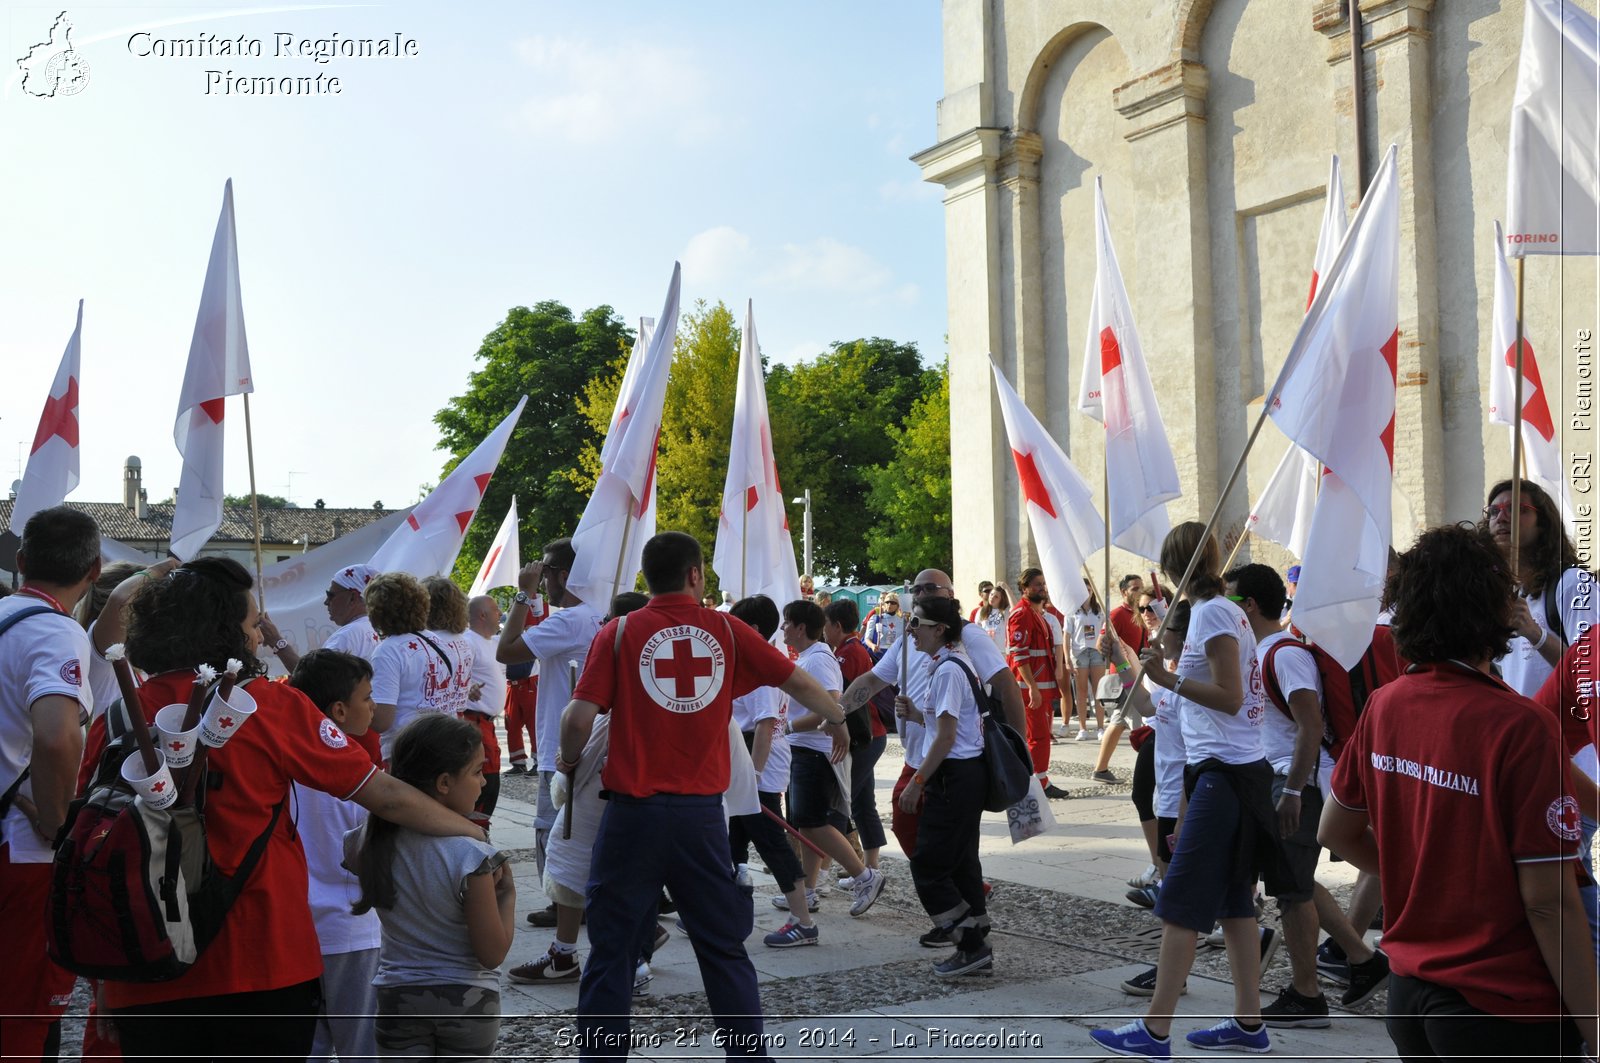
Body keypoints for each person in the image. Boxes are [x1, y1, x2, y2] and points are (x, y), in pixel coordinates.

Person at [99, 556, 485, 1061]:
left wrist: (105, 975)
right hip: (261, 958)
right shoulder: (267, 705)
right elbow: (383, 794)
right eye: (253, 624)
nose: (258, 636)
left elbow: (96, 845)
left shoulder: (116, 715)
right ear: (224, 632)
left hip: (146, 961)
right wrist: (470, 832)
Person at [557, 531, 848, 1060]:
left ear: (647, 577)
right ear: (695, 574)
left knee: (612, 951)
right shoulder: (728, 630)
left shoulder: (619, 632)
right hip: (699, 819)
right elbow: (798, 682)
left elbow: (578, 718)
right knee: (721, 948)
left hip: (632, 817)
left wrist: (569, 761)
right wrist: (837, 719)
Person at [1321, 524, 1597, 1060]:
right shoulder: (1521, 725)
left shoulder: (1387, 705)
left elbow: (1334, 830)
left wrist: (1420, 879)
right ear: (1494, 608)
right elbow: (1548, 902)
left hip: (1409, 990)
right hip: (1503, 1002)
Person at [1090, 521, 1278, 1058]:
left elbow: (1229, 696)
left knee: (1181, 902)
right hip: (1223, 772)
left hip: (1227, 774)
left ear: (1170, 566)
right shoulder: (1216, 613)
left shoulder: (1214, 612)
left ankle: (1153, 1030)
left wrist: (1168, 676)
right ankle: (1248, 1023)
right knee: (1235, 904)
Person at [1227, 564, 1388, 1030]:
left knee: (1293, 892)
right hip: (1282, 779)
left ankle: (1307, 996)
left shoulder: (1283, 654)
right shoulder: (1263, 650)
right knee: (1291, 881)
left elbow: (1311, 725)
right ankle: (1363, 960)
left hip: (1298, 783)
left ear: (1249, 605)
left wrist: (1293, 791)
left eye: (1231, 599)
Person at [351, 714, 514, 1061]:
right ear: (443, 782)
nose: (483, 783)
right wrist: (508, 895)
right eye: (476, 771)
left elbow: (353, 854)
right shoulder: (471, 856)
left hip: (397, 997)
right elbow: (492, 953)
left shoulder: (368, 839)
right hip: (467, 1001)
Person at [0, 506, 98, 1060]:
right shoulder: (56, 632)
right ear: (93, 571)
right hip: (20, 848)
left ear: (20, 562)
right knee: (20, 1015)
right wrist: (58, 819)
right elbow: (59, 737)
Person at [288, 649, 383, 1063]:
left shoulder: (279, 765)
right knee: (363, 1048)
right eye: (368, 697)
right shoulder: (358, 775)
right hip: (352, 932)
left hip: (293, 933)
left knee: (307, 1048)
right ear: (340, 711)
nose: (374, 706)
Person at [496, 537, 604, 887]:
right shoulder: (598, 614)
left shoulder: (570, 620)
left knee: (552, 830)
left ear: (563, 575)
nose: (541, 582)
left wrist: (522, 595)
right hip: (591, 738)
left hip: (560, 744)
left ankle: (564, 907)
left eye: (544, 574)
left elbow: (506, 650)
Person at [898, 595, 993, 977]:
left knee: (929, 867)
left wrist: (916, 782)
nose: (911, 631)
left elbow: (948, 737)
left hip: (954, 777)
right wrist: (919, 715)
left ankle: (970, 945)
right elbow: (948, 725)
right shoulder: (947, 665)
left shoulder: (950, 669)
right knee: (962, 864)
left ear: (939, 629)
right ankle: (977, 938)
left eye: (917, 623)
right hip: (962, 775)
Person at [779, 598, 888, 921]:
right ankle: (809, 890)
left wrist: (787, 726)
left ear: (800, 628)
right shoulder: (811, 657)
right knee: (806, 823)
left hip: (814, 750)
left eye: (787, 622)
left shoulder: (818, 661)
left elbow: (831, 706)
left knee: (815, 823)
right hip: (807, 749)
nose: (783, 628)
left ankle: (864, 876)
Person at [722, 596, 814, 942]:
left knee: (772, 842)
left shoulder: (758, 670)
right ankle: (719, 911)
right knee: (732, 842)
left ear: (752, 630)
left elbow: (764, 723)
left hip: (754, 762)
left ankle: (803, 921)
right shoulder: (753, 661)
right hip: (744, 760)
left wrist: (753, 775)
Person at [1482, 478, 1597, 696]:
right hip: (1523, 725)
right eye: (1494, 511)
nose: (1502, 517)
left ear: (1542, 523)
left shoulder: (1572, 583)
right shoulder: (1502, 591)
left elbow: (1591, 670)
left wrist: (1535, 634)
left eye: (1516, 509)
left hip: (1563, 726)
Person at [826, 598, 885, 887]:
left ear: (837, 626)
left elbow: (838, 698)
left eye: (826, 625)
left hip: (865, 737)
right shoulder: (852, 649)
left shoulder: (847, 653)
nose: (824, 631)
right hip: (872, 736)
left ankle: (819, 874)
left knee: (839, 803)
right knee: (862, 802)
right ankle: (869, 865)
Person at [368, 572, 452, 762]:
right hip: (443, 743)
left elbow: (382, 720)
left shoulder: (388, 650)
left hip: (408, 751)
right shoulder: (437, 641)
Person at [1007, 568, 1069, 799]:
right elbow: (1019, 654)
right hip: (1031, 688)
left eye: (1043, 584)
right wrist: (1032, 686)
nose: (1041, 588)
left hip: (1040, 685)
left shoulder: (1037, 613)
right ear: (1024, 589)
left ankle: (1039, 779)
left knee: (1040, 735)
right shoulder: (1022, 614)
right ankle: (1037, 783)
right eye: (1036, 585)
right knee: (1038, 736)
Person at [465, 594, 508, 827]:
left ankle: (480, 827)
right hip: (473, 721)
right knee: (485, 778)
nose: (500, 613)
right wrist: (465, 686)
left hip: (488, 722)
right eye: (495, 609)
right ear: (482, 615)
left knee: (490, 778)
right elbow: (455, 674)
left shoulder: (494, 642)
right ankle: (475, 828)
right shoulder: (468, 641)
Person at [1070, 580, 1108, 741]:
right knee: (1082, 692)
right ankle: (1083, 728)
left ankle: (1100, 727)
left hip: (1096, 652)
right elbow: (1066, 636)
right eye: (1082, 589)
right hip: (1079, 653)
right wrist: (1067, 659)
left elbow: (1105, 630)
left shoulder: (1099, 610)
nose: (1086, 592)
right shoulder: (1072, 611)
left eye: (1088, 589)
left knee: (1099, 691)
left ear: (1092, 591)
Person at [322, 564, 382, 659]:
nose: (326, 602)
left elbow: (314, 674)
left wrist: (288, 650)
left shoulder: (347, 636)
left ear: (352, 598)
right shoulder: (382, 630)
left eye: (330, 595)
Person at [864, 592, 904, 656]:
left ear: (897, 606)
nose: (889, 604)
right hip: (879, 655)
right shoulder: (875, 618)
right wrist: (872, 646)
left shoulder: (902, 621)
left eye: (893, 603)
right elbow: (867, 638)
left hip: (897, 654)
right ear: (884, 604)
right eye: (887, 602)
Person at [974, 584, 1009, 649]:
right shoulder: (981, 610)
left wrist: (1007, 589)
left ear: (1002, 599)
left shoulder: (1006, 611)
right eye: (991, 594)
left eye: (996, 597)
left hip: (1001, 651)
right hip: (986, 649)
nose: (992, 597)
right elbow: (977, 630)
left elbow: (1016, 608)